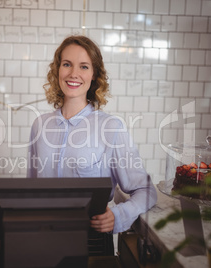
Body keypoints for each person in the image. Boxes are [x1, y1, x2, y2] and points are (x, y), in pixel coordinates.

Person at [27, 35, 157, 255]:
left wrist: (119, 215)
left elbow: (146, 191)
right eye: (66, 64)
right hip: (42, 241)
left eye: (84, 66)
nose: (73, 73)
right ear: (57, 69)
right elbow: (30, 191)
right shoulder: (40, 125)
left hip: (91, 245)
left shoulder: (111, 128)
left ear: (94, 74)